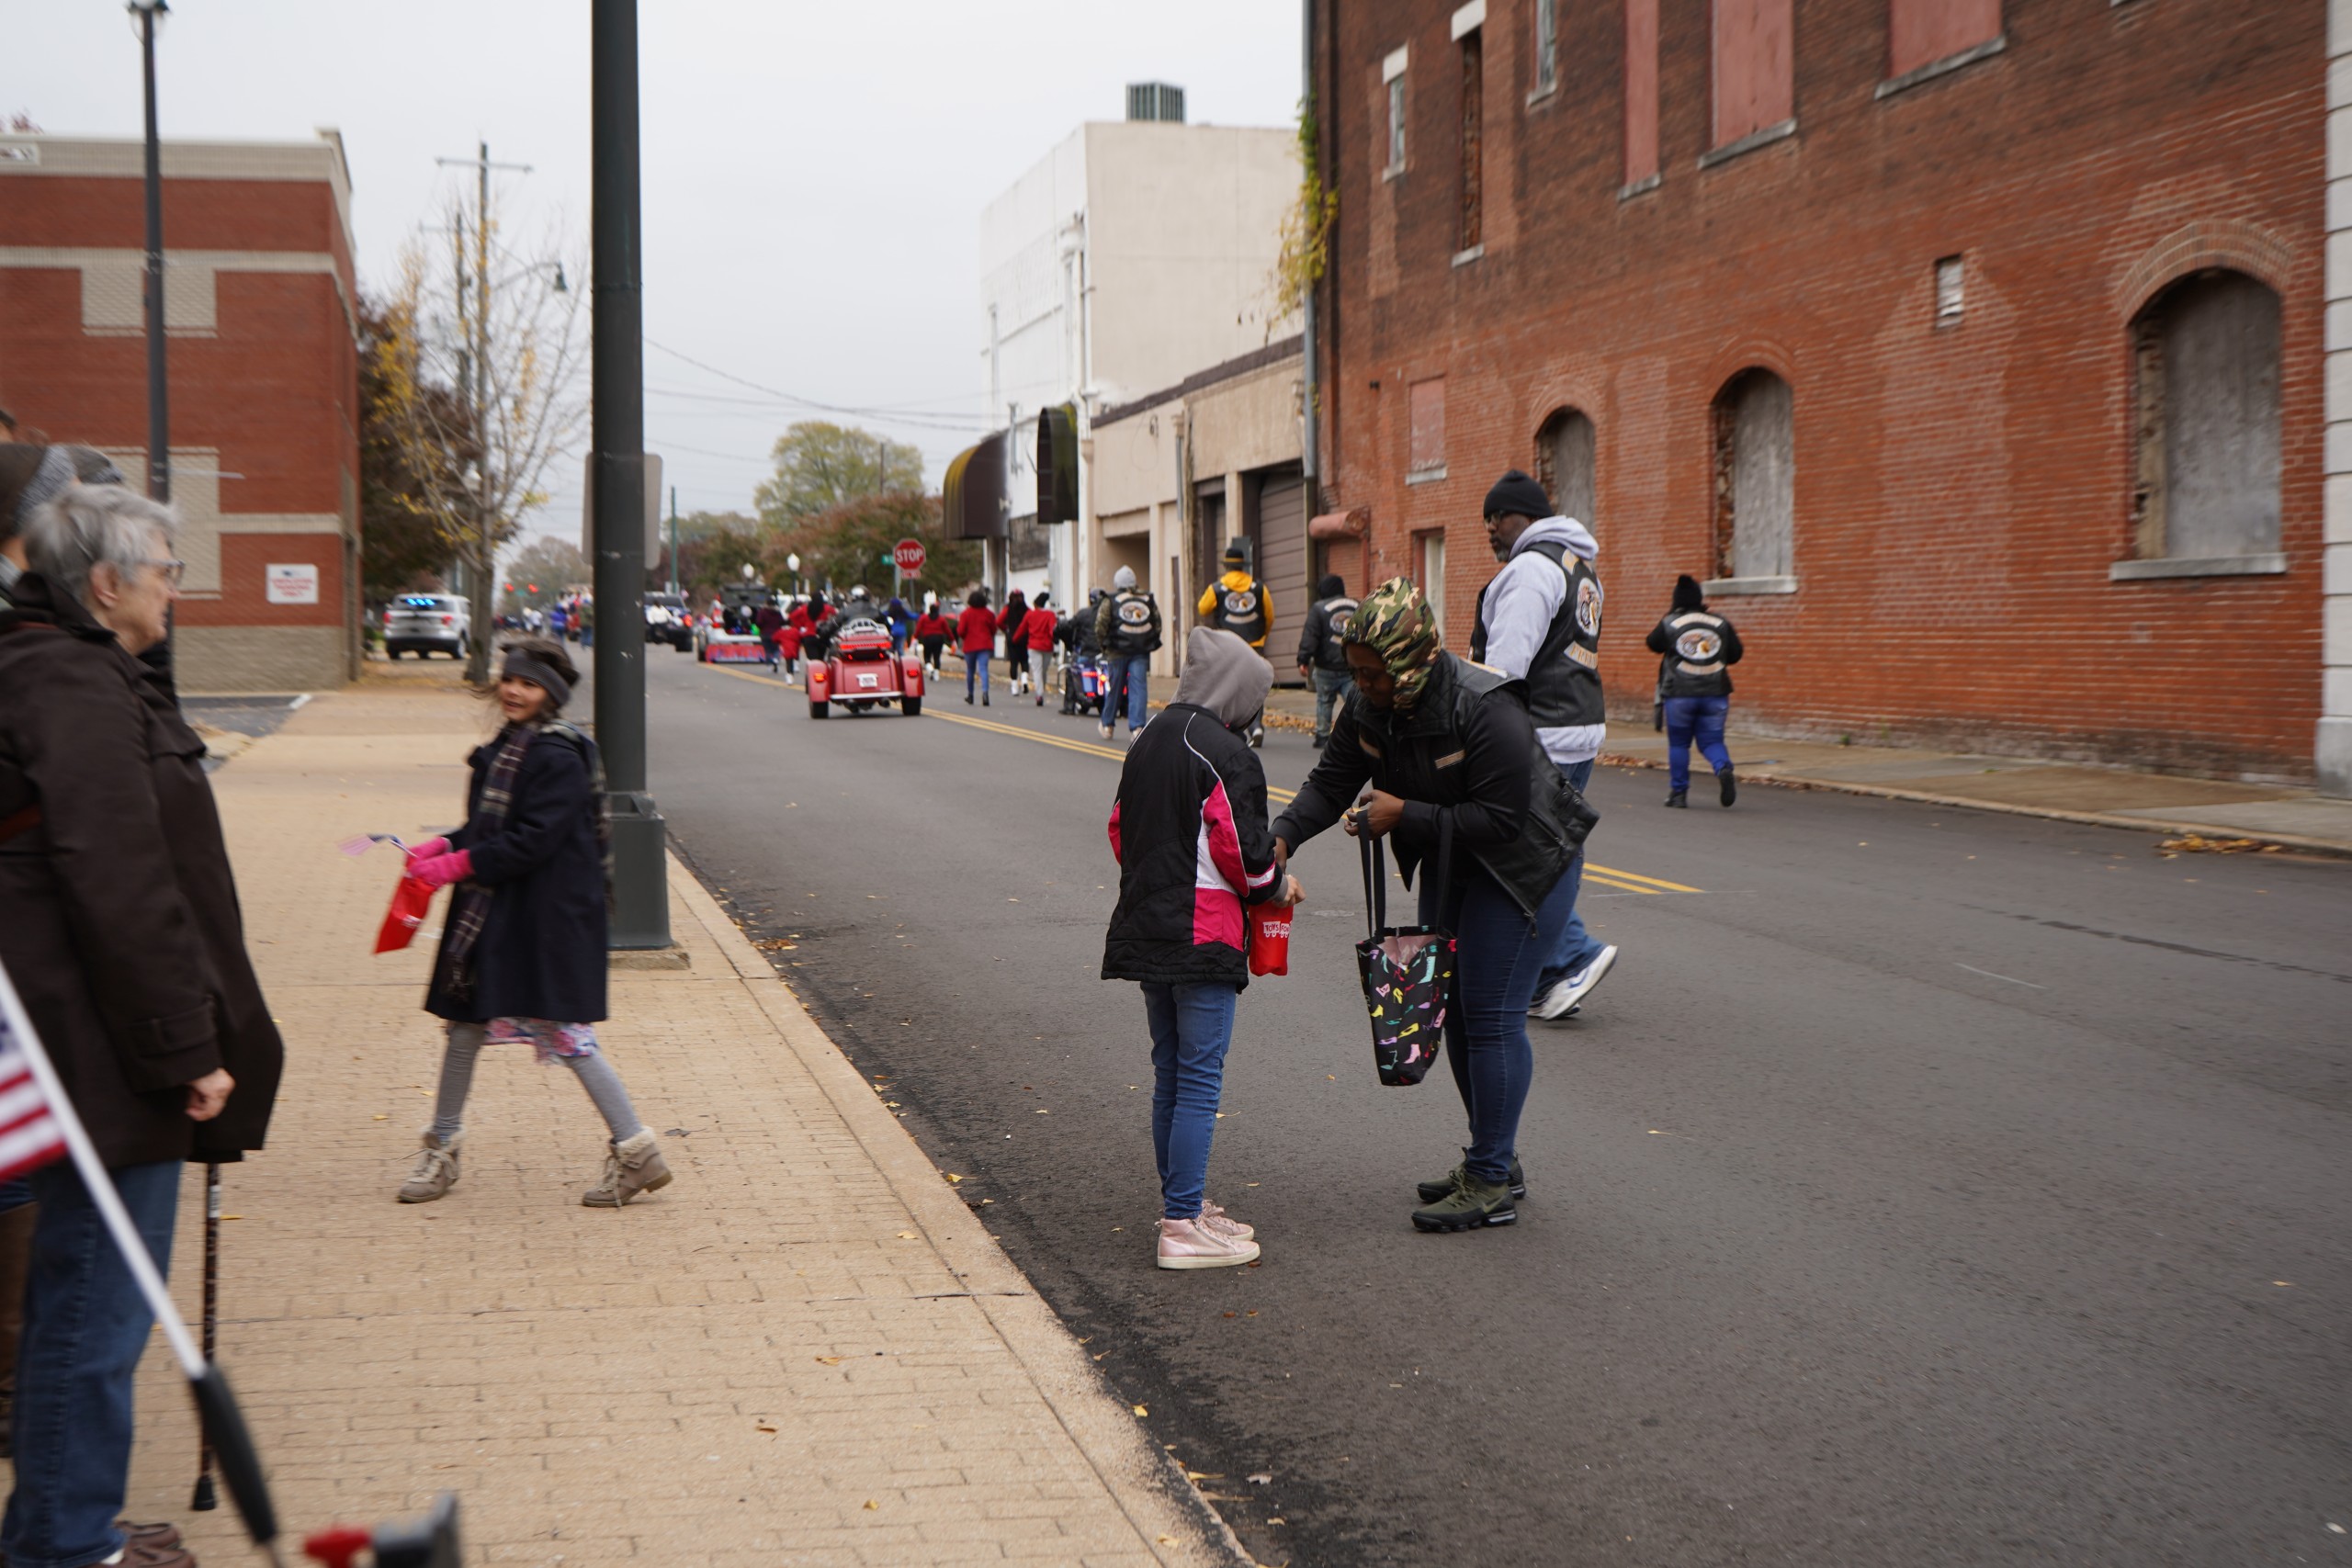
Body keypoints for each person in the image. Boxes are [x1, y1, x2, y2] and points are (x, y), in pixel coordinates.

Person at [0, 482, 286, 1568]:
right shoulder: (66, 680)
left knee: (84, 1296)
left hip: (92, 1036)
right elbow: (117, 880)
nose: (178, 586)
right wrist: (184, 1049)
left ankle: (53, 1527)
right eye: (165, 567)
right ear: (107, 582)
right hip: (102, 1047)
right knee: (94, 1309)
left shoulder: (72, 670)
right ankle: (67, 1548)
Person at [1272, 578, 1588, 1234]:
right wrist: (1281, 836)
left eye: (1373, 674)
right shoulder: (1367, 707)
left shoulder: (1486, 707)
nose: (1362, 686)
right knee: (1457, 1017)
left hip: (1527, 864)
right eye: (1355, 673)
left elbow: (1504, 820)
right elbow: (1331, 782)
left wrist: (1404, 812)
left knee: (1493, 1014)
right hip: (1455, 857)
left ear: (1410, 661)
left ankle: (1491, 1179)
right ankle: (1493, 1157)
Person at [400, 637, 674, 1210]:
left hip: (545, 926)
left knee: (569, 1038)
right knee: (465, 1025)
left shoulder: (556, 756)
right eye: (508, 679)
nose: (512, 690)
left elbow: (530, 841)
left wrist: (458, 863)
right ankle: (443, 1145)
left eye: (526, 683)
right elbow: (489, 827)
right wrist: (441, 844)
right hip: (503, 919)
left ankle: (637, 1152)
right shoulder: (507, 747)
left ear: (549, 694)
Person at [1102, 627, 1301, 1269]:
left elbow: (1118, 830)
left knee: (1170, 1072)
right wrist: (1278, 883)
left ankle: (1180, 1204)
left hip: (1147, 923)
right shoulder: (1228, 752)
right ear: (1237, 693)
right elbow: (1244, 857)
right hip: (1205, 932)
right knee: (1199, 1079)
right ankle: (1183, 1224)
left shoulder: (1147, 741)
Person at [1470, 468, 1618, 1024]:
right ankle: (1546, 969)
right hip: (1577, 727)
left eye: (1498, 515)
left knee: (1524, 856)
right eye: (1485, 517)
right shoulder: (1578, 568)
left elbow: (1502, 670)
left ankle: (1568, 958)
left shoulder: (1531, 569)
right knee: (1547, 849)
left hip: (1540, 733)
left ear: (1526, 517)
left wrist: (1478, 728)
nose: (1489, 527)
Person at [1646, 574, 1744, 807]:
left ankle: (1679, 794)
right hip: (1715, 693)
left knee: (1679, 744)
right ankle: (1723, 767)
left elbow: (1653, 643)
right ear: (1700, 598)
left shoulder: (1670, 622)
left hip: (1680, 695)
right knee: (1712, 740)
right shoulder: (1720, 623)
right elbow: (1736, 654)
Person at [1196, 539, 1272, 746]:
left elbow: (1203, 608)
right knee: (1255, 686)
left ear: (1226, 566)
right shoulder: (1259, 588)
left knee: (1229, 685)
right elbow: (1269, 615)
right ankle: (1256, 726)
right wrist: (1261, 637)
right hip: (1254, 644)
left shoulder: (1217, 588)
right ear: (1243, 565)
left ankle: (1230, 727)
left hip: (1227, 646)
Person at [1094, 566, 1160, 742]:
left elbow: (1101, 624)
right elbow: (1157, 622)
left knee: (1115, 687)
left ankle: (1108, 725)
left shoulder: (1111, 600)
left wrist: (1104, 646)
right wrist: (1149, 642)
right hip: (1140, 650)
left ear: (1118, 583)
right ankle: (1138, 728)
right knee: (1139, 687)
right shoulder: (1147, 598)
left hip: (1117, 650)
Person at [1295, 572, 1359, 748]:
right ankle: (1360, 734)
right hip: (1351, 667)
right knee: (1356, 702)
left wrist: (1303, 660)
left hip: (1326, 667)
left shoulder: (1319, 609)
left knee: (1324, 701)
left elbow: (1311, 636)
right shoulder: (1357, 605)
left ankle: (1323, 736)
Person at [957, 588, 996, 705]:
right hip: (984, 644)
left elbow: (961, 631)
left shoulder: (965, 614)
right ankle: (985, 693)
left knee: (970, 670)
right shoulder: (989, 614)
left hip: (970, 645)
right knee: (983, 669)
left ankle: (970, 694)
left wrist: (964, 637)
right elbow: (993, 629)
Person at [1020, 590, 1057, 707]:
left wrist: (1014, 639)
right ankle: (1041, 691)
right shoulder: (1050, 615)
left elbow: (1022, 628)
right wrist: (1054, 638)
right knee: (1043, 670)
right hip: (1047, 646)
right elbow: (1053, 629)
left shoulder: (1030, 614)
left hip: (1034, 645)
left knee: (1037, 670)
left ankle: (1039, 694)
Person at [997, 589, 1029, 694]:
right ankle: (1024, 680)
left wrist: (1005, 629)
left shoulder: (1007, 609)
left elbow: (998, 621)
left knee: (1013, 662)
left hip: (1011, 637)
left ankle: (1014, 688)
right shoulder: (1026, 610)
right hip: (1024, 638)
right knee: (1024, 660)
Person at [913, 600, 952, 677]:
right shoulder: (941, 619)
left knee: (927, 656)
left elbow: (918, 628)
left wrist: (915, 637)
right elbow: (947, 630)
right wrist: (952, 639)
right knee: (937, 656)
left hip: (928, 639)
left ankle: (930, 669)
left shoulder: (924, 618)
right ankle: (936, 673)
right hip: (939, 639)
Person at [753, 597, 785, 672]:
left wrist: (761, 627)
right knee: (776, 649)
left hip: (765, 633)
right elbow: (782, 622)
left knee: (768, 650)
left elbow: (759, 622)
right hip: (776, 633)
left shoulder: (762, 612)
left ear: (766, 603)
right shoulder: (778, 612)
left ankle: (769, 666)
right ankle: (776, 659)